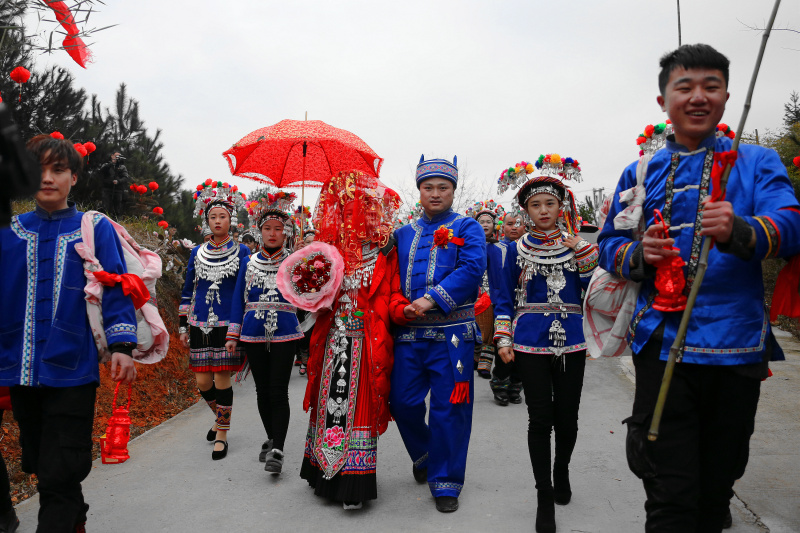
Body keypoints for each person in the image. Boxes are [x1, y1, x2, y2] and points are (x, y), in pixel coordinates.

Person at [597, 43, 800, 533]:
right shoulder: (639, 172)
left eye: (711, 86)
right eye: (684, 86)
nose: (698, 96)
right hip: (660, 345)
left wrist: (742, 229)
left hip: (736, 349)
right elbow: (608, 245)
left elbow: (792, 225)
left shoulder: (755, 162)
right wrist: (637, 254)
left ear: (727, 96)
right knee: (667, 490)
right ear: (663, 99)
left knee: (716, 486)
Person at [0, 135, 138, 532]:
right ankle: (73, 519)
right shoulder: (8, 233)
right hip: (20, 371)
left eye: (58, 170)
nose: (48, 178)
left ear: (74, 177)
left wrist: (122, 345)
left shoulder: (93, 230)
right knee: (42, 463)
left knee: (61, 469)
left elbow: (116, 285)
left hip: (73, 368)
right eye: (39, 170)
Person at [492, 156, 598, 533]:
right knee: (540, 419)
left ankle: (562, 469)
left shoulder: (579, 248)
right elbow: (503, 298)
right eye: (535, 205)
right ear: (525, 211)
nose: (542, 211)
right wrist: (503, 337)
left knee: (567, 418)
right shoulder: (509, 251)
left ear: (561, 206)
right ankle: (543, 494)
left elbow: (595, 293)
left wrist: (585, 254)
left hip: (571, 342)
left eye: (549, 204)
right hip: (528, 343)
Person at [299, 170, 409, 509]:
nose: (354, 215)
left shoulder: (383, 252)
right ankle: (322, 472)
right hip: (333, 340)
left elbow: (392, 294)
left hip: (367, 341)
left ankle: (354, 483)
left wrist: (403, 311)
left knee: (360, 406)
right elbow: (312, 297)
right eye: (346, 209)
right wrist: (308, 275)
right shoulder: (326, 253)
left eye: (362, 208)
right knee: (328, 403)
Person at [390, 155, 486, 513]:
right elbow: (392, 280)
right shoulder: (402, 234)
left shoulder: (467, 228)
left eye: (442, 188)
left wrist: (430, 300)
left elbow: (473, 269)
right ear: (419, 191)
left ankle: (446, 480)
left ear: (453, 191)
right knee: (402, 403)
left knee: (450, 409)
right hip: (410, 335)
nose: (435, 193)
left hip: (452, 336)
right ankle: (425, 453)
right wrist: (400, 305)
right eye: (428, 187)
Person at [225, 191, 304, 475]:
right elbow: (237, 299)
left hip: (284, 332)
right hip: (253, 332)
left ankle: (278, 449)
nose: (273, 234)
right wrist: (232, 335)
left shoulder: (296, 262)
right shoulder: (248, 262)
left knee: (278, 390)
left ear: (286, 234)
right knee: (262, 391)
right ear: (259, 232)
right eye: (268, 229)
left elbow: (307, 297)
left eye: (278, 229)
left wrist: (306, 267)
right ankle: (272, 437)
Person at [179, 182, 249, 460]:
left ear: (231, 221)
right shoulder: (197, 253)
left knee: (221, 379)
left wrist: (238, 327)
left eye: (222, 216)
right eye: (212, 217)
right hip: (199, 324)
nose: (217, 221)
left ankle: (222, 433)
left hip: (227, 325)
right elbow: (187, 290)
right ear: (206, 221)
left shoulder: (242, 252)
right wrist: (183, 324)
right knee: (202, 381)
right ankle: (220, 418)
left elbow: (244, 291)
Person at [489, 211, 525, 405]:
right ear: (502, 227)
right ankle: (500, 384)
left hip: (525, 306)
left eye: (518, 224)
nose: (514, 227)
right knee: (503, 345)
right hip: (500, 301)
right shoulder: (493, 247)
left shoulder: (530, 248)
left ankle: (515, 385)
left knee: (522, 348)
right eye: (510, 223)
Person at [98, 150, 129, 219]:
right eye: (116, 156)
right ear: (112, 156)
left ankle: (115, 221)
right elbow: (101, 171)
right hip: (107, 189)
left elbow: (125, 177)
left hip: (118, 190)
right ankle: (104, 221)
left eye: (119, 156)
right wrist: (111, 163)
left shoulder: (122, 167)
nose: (117, 158)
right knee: (105, 207)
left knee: (117, 208)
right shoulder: (106, 165)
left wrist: (118, 181)